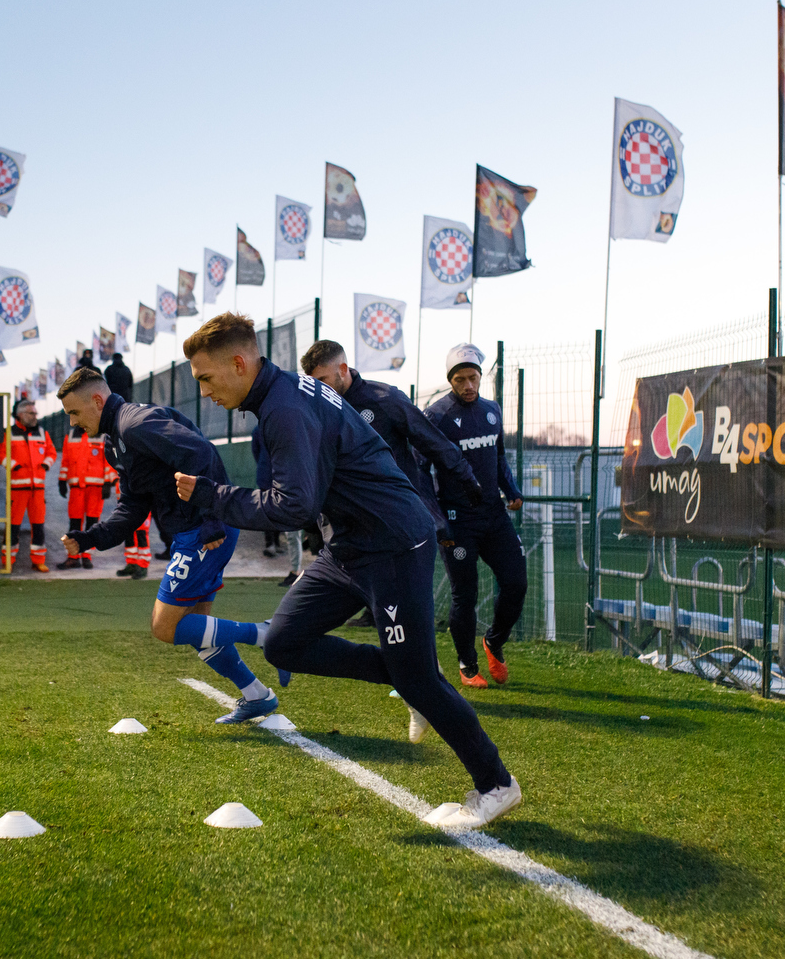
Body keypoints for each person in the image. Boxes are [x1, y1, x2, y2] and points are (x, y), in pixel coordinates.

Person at [177, 312, 520, 828]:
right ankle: (414, 676)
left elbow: (293, 506)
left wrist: (212, 497)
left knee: (419, 678)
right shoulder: (281, 395)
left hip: (394, 542)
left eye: (205, 377)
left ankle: (496, 784)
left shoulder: (285, 408)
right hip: (349, 544)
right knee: (284, 642)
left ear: (239, 363)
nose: (204, 391)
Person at [57, 366, 286, 723]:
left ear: (98, 400)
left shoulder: (136, 423)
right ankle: (257, 695)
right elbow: (133, 506)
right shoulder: (114, 442)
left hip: (204, 530)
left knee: (165, 627)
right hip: (193, 530)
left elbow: (201, 454)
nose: (72, 422)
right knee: (197, 628)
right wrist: (90, 538)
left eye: (74, 412)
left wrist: (211, 519)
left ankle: (268, 635)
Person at [301, 339, 484, 629]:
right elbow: (316, 468)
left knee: (407, 600)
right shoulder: (317, 408)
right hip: (349, 523)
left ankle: (419, 651)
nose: (319, 388)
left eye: (323, 380)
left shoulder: (384, 399)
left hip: (396, 517)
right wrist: (311, 520)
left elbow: (430, 439)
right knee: (358, 589)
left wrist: (465, 476)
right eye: (313, 383)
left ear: (343, 369)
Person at [422, 344, 527, 687]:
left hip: (494, 516)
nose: (468, 385)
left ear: (481, 377)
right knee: (465, 593)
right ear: (450, 381)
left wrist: (510, 489)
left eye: (473, 378)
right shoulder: (435, 416)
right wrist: (439, 520)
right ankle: (468, 664)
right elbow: (421, 471)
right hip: (457, 520)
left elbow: (498, 458)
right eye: (460, 379)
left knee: (516, 582)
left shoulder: (492, 410)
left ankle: (494, 642)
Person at [0, 399, 58, 573]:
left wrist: (46, 464)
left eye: (35, 413)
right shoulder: (8, 433)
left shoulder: (42, 433)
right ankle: (8, 561)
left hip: (37, 490)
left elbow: (51, 452)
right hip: (17, 489)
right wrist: (14, 465)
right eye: (31, 413)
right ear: (20, 415)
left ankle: (38, 560)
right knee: (12, 527)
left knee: (38, 527)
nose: (35, 416)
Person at [56, 424, 115, 570]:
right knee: (74, 523)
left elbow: (108, 460)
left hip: (96, 488)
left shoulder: (102, 435)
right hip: (76, 487)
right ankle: (73, 557)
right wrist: (62, 480)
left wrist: (107, 482)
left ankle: (87, 556)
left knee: (92, 523)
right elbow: (66, 461)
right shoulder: (70, 437)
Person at [250, 423, 301, 587]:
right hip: (272, 478)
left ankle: (276, 545)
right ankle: (272, 544)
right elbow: (257, 451)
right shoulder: (264, 429)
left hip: (282, 480)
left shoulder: (283, 427)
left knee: (279, 516)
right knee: (271, 513)